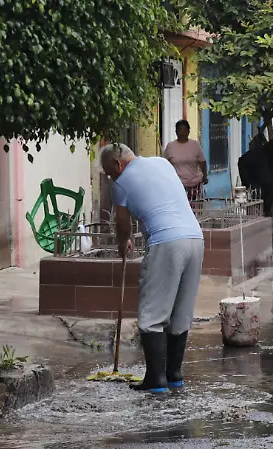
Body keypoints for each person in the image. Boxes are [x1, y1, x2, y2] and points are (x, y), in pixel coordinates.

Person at [100, 143, 204, 394]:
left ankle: (156, 380)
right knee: (180, 314)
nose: (111, 178)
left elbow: (123, 224)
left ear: (118, 164)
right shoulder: (162, 163)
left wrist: (123, 241)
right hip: (195, 239)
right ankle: (174, 375)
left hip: (166, 242)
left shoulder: (121, 183)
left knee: (152, 316)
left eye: (109, 172)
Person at [163, 120, 208, 202]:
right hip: (177, 184)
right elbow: (165, 164)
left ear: (188, 131)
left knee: (195, 208)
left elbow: (202, 161)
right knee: (179, 207)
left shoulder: (195, 145)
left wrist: (205, 176)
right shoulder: (170, 146)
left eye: (184, 130)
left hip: (194, 183)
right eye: (180, 130)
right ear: (176, 131)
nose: (182, 132)